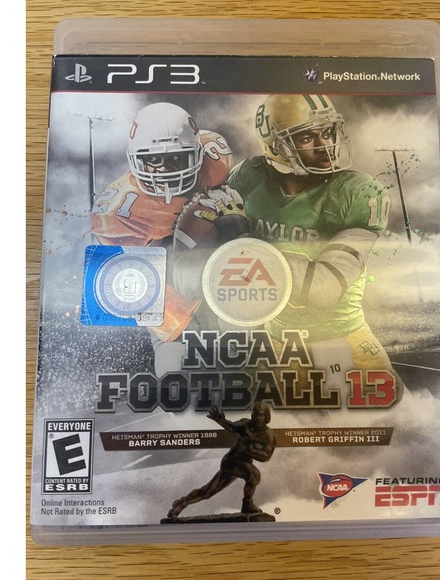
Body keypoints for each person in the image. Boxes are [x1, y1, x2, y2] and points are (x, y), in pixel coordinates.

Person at [218, 94, 405, 402]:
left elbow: (323, 289)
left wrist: (242, 248)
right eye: (307, 137)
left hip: (342, 336)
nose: (324, 144)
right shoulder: (248, 178)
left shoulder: (355, 193)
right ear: (275, 144)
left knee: (393, 415)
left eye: (327, 132)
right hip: (278, 338)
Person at [90, 101, 234, 355]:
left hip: (221, 263)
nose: (164, 169)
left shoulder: (214, 158)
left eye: (175, 158)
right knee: (179, 356)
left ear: (197, 152)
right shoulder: (118, 210)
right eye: (154, 159)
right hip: (161, 278)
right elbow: (134, 283)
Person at [167, 402, 277, 517]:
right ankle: (183, 503)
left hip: (243, 465)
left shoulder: (269, 436)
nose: (259, 418)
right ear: (253, 415)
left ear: (267, 416)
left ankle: (182, 503)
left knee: (209, 492)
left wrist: (249, 450)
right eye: (257, 414)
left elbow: (266, 456)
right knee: (252, 476)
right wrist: (220, 420)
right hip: (231, 462)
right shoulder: (245, 424)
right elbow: (233, 427)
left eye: (262, 415)